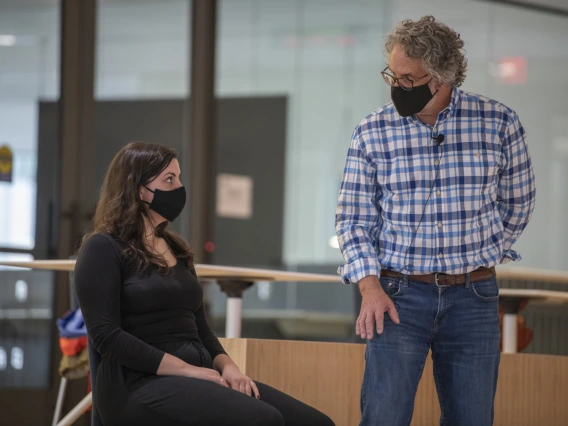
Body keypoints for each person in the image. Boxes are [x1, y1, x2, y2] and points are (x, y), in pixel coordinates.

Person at [336, 16, 535, 426]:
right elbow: (353, 218)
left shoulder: (498, 123)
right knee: (384, 416)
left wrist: (483, 253)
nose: (397, 86)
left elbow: (518, 202)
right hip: (396, 297)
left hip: (474, 300)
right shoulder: (372, 131)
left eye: (408, 78)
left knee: (472, 417)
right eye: (392, 74)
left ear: (442, 76)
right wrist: (370, 287)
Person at [75, 142, 335, 426]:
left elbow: (200, 328)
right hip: (137, 383)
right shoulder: (103, 248)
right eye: (169, 179)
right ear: (138, 189)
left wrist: (230, 368)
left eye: (179, 178)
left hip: (197, 375)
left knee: (316, 423)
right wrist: (187, 371)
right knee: (263, 420)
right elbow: (106, 336)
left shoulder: (176, 248)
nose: (179, 188)